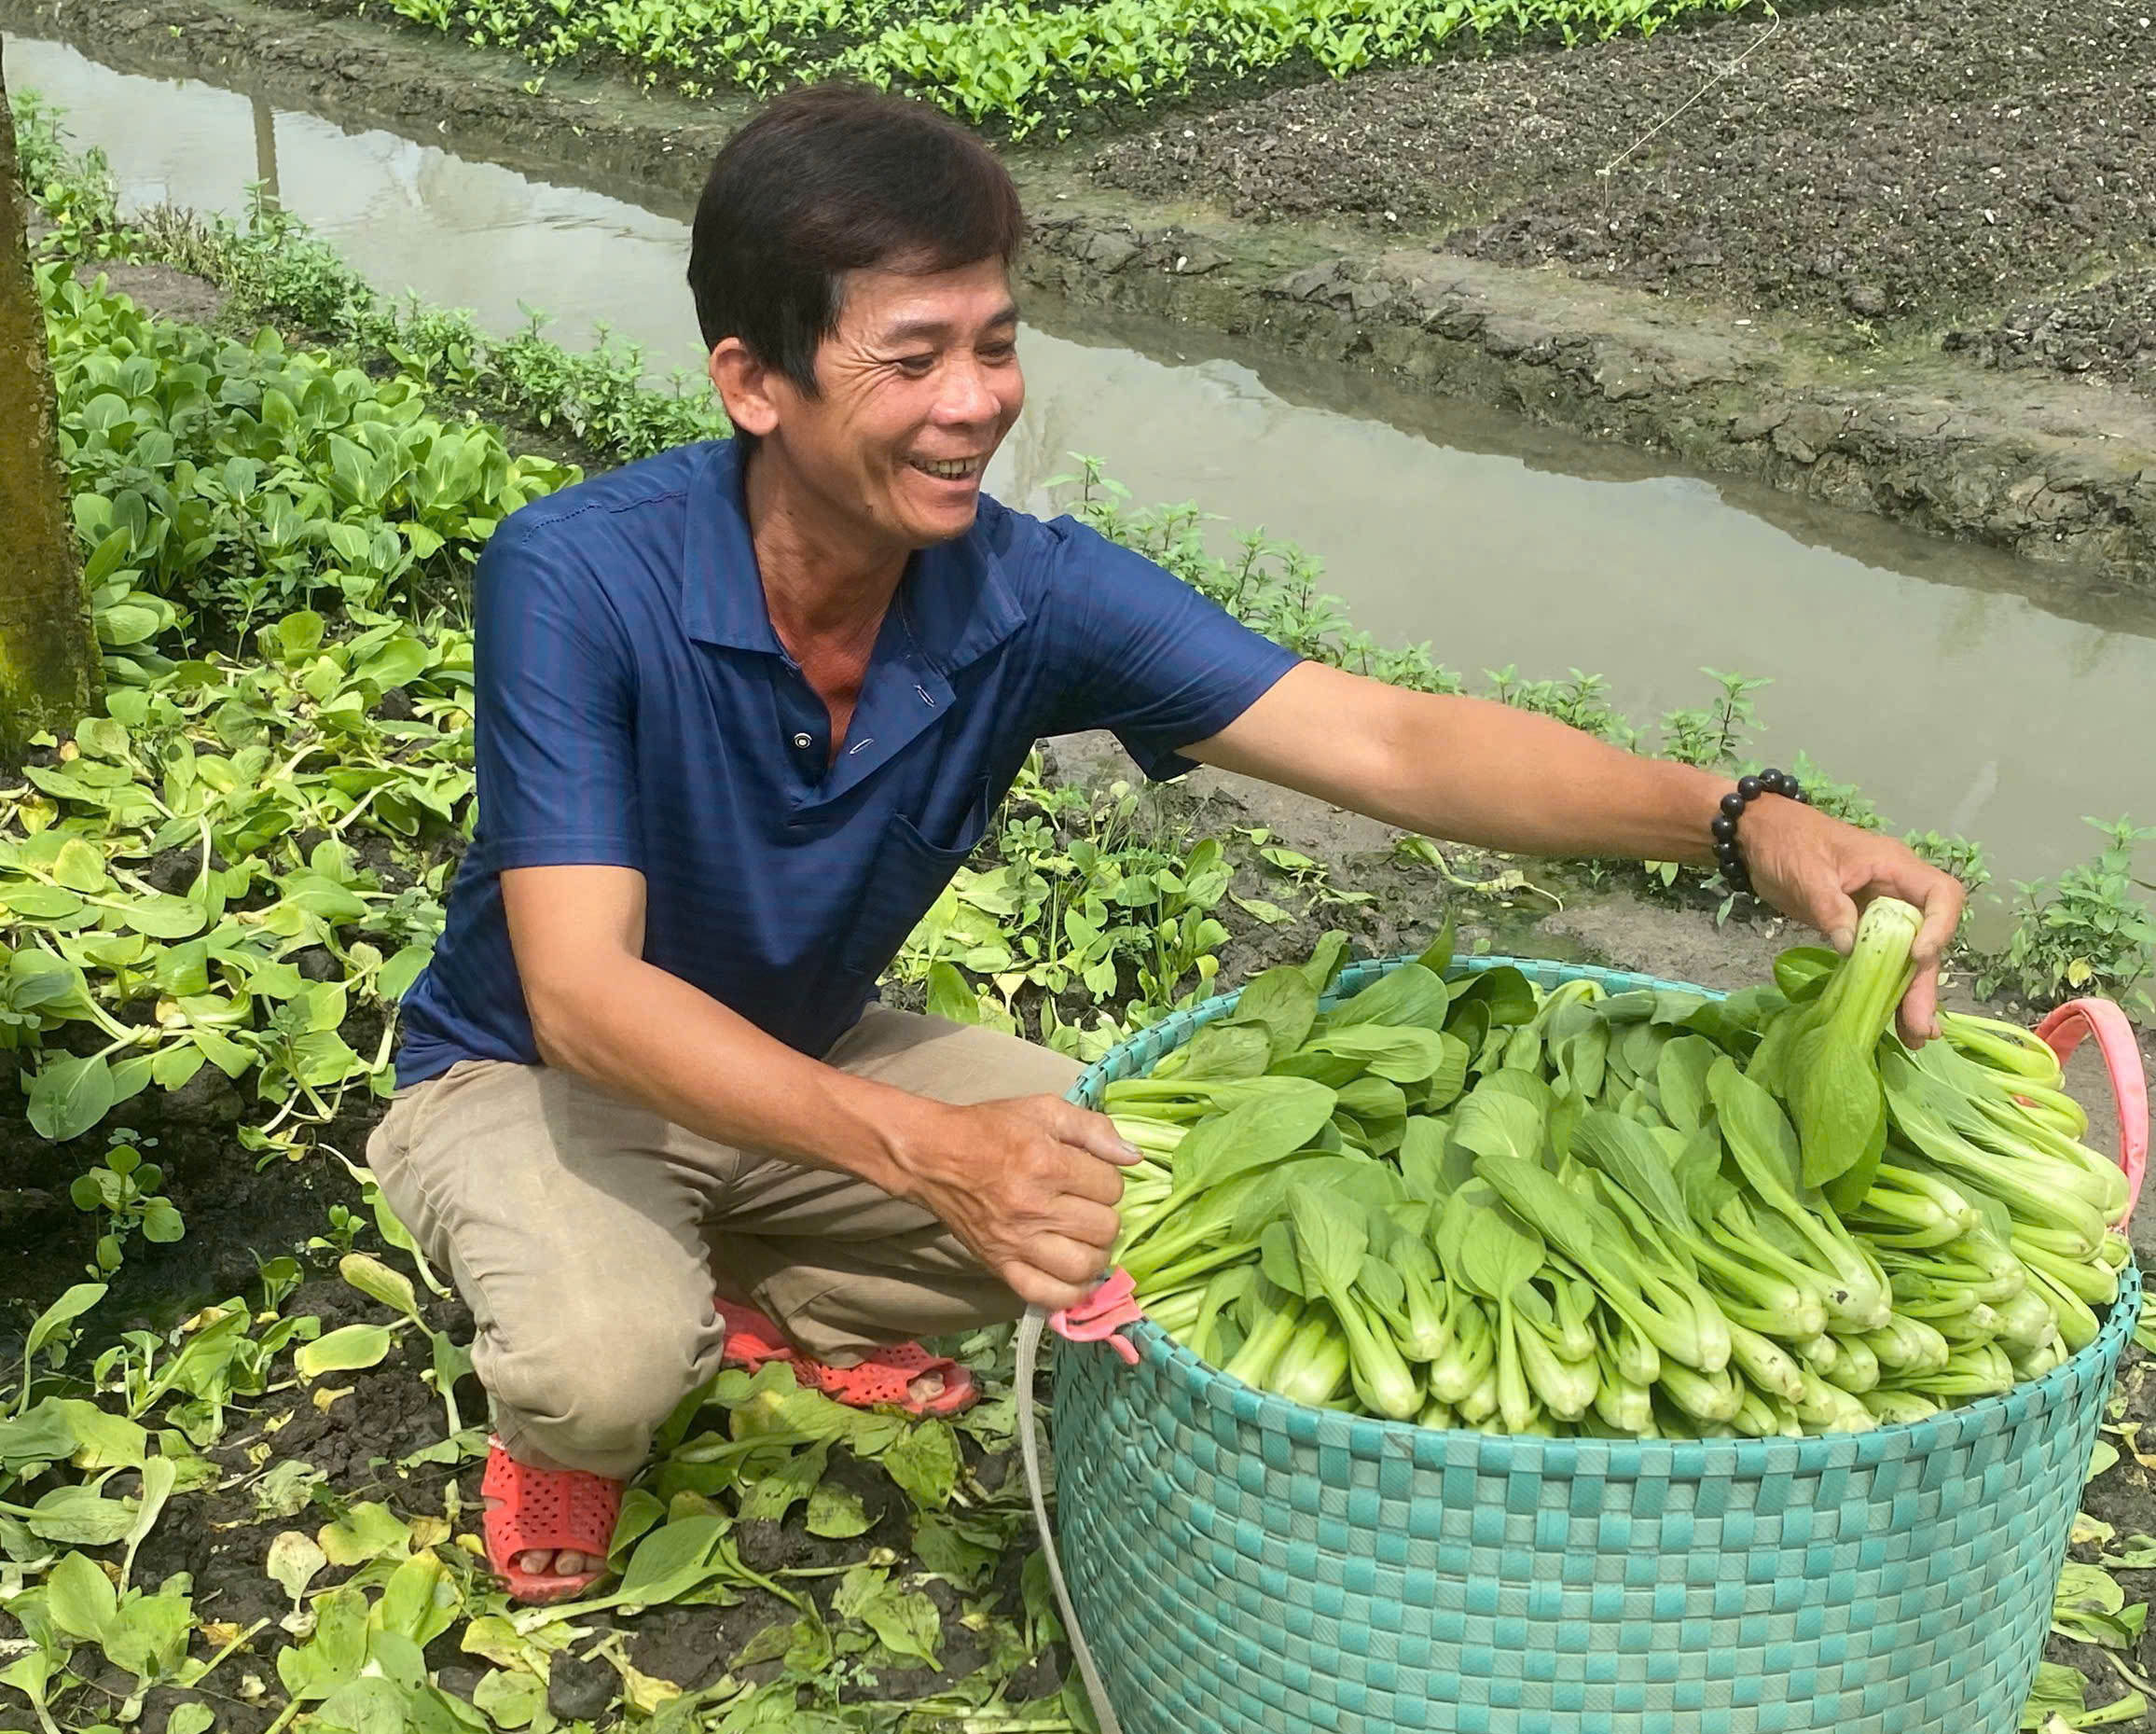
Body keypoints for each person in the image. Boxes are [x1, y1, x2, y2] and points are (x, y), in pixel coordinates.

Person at [367, 82, 1964, 1602]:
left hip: (802, 1050)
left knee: (1176, 1204)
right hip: (535, 1073)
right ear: (753, 383)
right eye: (912, 357)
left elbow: (1387, 739)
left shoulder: (1026, 591)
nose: (977, 402)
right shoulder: (580, 576)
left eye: (996, 343)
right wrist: (928, 1151)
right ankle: (591, 1373)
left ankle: (758, 1274)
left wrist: (1740, 820)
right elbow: (580, 992)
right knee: (603, 1368)